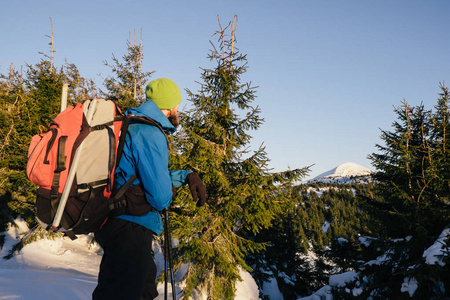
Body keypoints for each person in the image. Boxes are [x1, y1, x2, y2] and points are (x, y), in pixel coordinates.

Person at [93, 78, 207, 300]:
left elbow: (137, 176)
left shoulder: (133, 124)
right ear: (169, 105)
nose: (177, 111)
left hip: (117, 221)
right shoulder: (149, 133)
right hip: (130, 228)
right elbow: (160, 198)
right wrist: (168, 191)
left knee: (141, 289)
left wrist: (185, 176)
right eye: (177, 106)